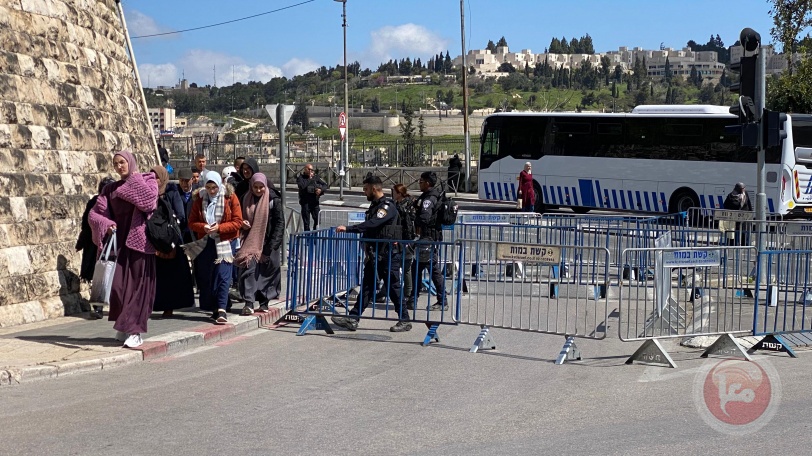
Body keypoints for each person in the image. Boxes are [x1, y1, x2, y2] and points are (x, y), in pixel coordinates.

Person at [88, 151, 158, 348]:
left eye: (123, 162)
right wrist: (107, 223)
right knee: (118, 288)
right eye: (116, 163)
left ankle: (135, 330)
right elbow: (94, 215)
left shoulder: (147, 179)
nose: (120, 167)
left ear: (131, 162)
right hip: (119, 245)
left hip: (140, 245)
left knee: (137, 289)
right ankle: (124, 325)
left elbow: (148, 202)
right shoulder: (110, 189)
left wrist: (133, 179)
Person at [331, 175, 412, 332]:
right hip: (376, 254)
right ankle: (353, 318)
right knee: (367, 287)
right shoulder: (375, 206)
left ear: (374, 189)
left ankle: (405, 320)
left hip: (388, 254)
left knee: (393, 288)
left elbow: (372, 224)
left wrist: (349, 229)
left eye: (366, 189)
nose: (364, 192)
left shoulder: (387, 207)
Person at [188, 171, 243, 324]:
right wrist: (204, 227)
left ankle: (221, 310)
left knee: (223, 275)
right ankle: (215, 306)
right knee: (208, 276)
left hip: (225, 241)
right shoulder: (199, 199)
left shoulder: (229, 197)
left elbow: (238, 221)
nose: (212, 191)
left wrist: (219, 228)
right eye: (209, 187)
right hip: (207, 242)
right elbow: (191, 222)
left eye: (214, 187)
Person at [235, 173, 284, 315]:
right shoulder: (245, 198)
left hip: (268, 241)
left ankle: (264, 302)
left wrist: (272, 245)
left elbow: (279, 223)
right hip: (250, 241)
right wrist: (241, 224)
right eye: (255, 187)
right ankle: (249, 302)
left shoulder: (273, 200)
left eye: (261, 187)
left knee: (268, 272)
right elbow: (238, 218)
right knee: (248, 269)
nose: (258, 190)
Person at [151, 166, 195, 318]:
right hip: (155, 239)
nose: (154, 180)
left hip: (170, 239)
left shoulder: (171, 192)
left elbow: (181, 216)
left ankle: (170, 306)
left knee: (172, 275)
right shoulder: (149, 193)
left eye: (156, 177)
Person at [76, 176, 116, 319]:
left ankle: (110, 306)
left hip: (113, 243)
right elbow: (87, 223)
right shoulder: (95, 202)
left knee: (110, 274)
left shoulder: (116, 202)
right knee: (99, 275)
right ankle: (98, 306)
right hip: (97, 244)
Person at [412, 171, 447, 311]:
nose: (419, 184)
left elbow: (425, 218)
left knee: (432, 270)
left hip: (429, 238)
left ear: (427, 183)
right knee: (418, 268)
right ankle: (413, 298)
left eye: (421, 181)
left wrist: (415, 219)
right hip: (428, 238)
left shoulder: (429, 198)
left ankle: (442, 300)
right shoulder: (431, 196)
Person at [297, 163, 328, 231]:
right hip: (305, 203)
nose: (311, 171)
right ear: (305, 169)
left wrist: (320, 190)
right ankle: (308, 239)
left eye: (312, 169)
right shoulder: (301, 178)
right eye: (309, 169)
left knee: (317, 220)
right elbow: (302, 186)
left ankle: (314, 236)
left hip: (314, 202)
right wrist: (310, 178)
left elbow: (325, 185)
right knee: (306, 223)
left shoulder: (316, 177)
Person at [177, 167, 195, 243]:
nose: (184, 184)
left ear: (192, 179)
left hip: (194, 232)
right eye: (182, 181)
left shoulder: (198, 192)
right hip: (179, 231)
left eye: (187, 181)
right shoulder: (175, 193)